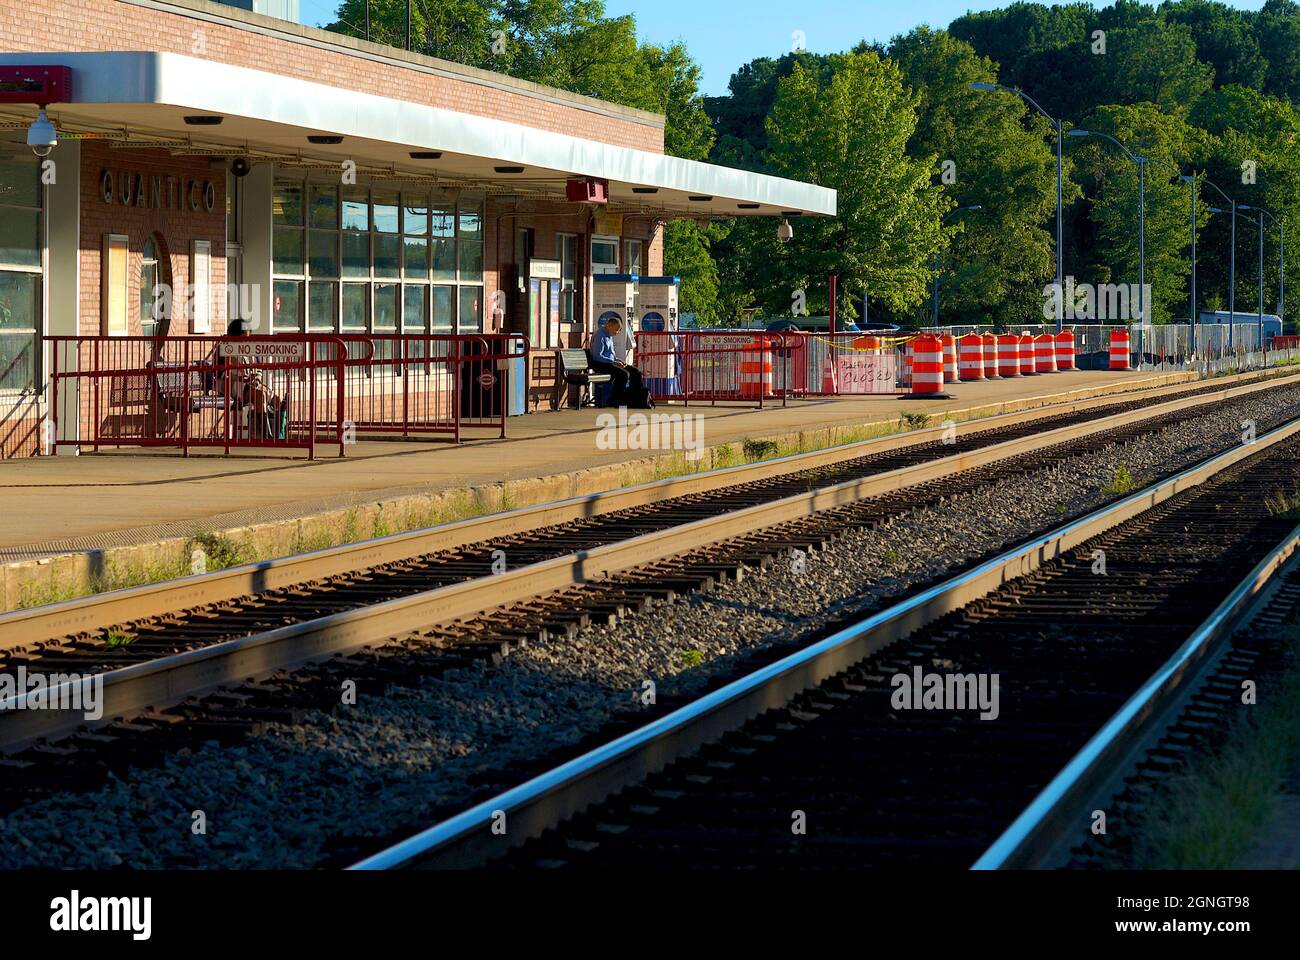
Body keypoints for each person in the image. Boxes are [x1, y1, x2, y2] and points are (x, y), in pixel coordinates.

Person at [589, 315, 645, 406]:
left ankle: (636, 397)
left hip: (610, 362)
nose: (617, 332)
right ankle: (615, 399)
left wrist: (619, 361)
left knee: (635, 372)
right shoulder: (600, 336)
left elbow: (611, 355)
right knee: (623, 374)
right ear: (609, 326)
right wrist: (614, 362)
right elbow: (597, 356)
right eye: (617, 329)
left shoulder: (609, 336)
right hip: (600, 364)